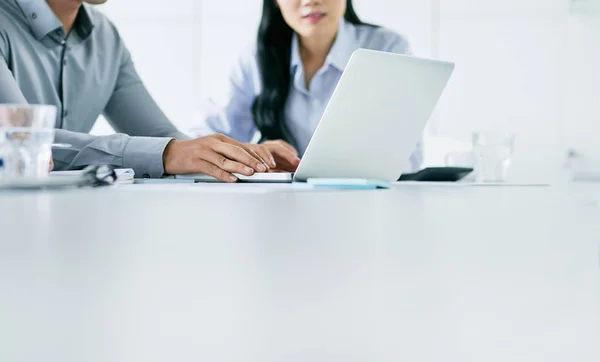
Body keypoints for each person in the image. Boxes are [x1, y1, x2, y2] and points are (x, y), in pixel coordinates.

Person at [0, 0, 277, 182]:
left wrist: (241, 157)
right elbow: (21, 141)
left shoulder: (105, 36)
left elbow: (161, 138)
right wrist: (168, 153)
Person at [192, 0, 423, 173]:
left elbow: (407, 158)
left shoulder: (387, 48)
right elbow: (206, 142)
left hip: (366, 204)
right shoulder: (256, 58)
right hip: (282, 208)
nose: (310, 0)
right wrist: (254, 156)